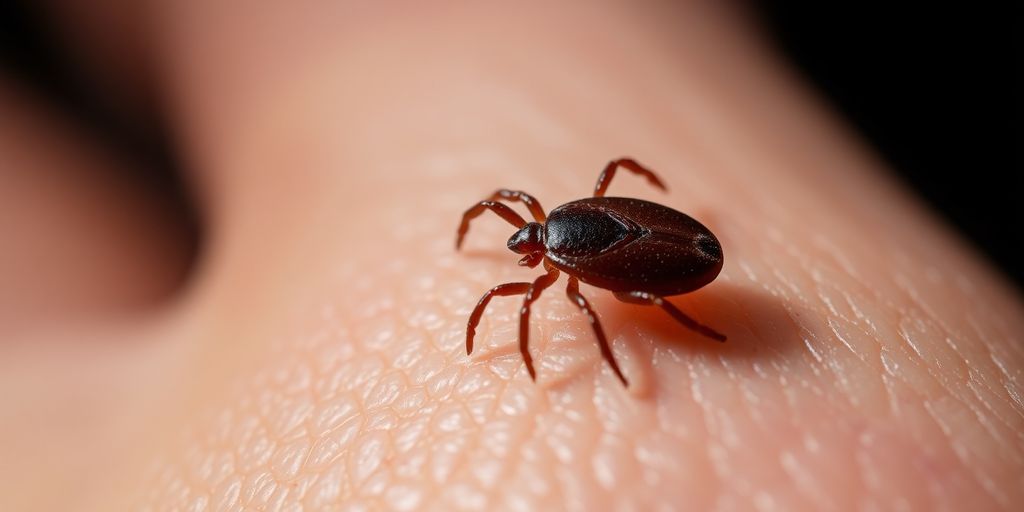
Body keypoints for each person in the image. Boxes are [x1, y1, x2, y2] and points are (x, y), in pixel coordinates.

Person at [1, 2, 1020, 510]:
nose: (520, 239)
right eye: (519, 234)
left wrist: (610, 347)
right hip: (670, 244)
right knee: (636, 289)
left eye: (524, 236)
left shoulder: (564, 272)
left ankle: (675, 328)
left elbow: (555, 288)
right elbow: (635, 196)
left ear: (545, 235)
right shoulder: (576, 218)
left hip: (670, 258)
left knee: (595, 308)